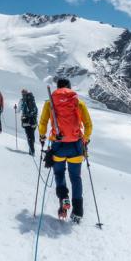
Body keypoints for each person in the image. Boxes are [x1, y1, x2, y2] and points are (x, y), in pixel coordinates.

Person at [39, 78, 92, 222]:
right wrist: (85, 139)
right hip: (75, 146)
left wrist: (42, 136)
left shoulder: (50, 103)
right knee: (75, 178)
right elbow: (88, 125)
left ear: (57, 88)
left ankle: (63, 199)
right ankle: (78, 211)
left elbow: (43, 122)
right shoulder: (78, 102)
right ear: (69, 87)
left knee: (59, 173)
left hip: (58, 145)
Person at [19, 89, 38, 155]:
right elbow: (36, 110)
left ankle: (32, 150)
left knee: (29, 136)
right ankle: (32, 149)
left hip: (26, 120)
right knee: (32, 135)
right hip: (33, 120)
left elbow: (18, 110)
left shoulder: (22, 100)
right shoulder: (32, 99)